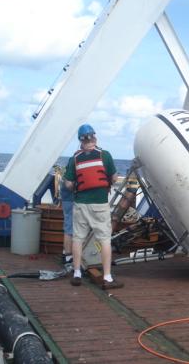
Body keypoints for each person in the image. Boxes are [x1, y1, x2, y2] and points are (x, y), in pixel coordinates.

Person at [64, 124, 123, 290]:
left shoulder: (74, 159)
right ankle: (107, 277)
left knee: (78, 238)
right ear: (94, 137)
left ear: (80, 141)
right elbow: (114, 178)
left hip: (80, 205)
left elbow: (68, 183)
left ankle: (76, 273)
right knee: (104, 239)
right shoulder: (104, 155)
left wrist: (76, 185)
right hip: (100, 204)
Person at [59, 170, 74, 266]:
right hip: (71, 201)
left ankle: (66, 253)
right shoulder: (71, 173)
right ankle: (68, 256)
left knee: (69, 227)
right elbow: (69, 185)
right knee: (70, 229)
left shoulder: (66, 173)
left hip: (67, 200)